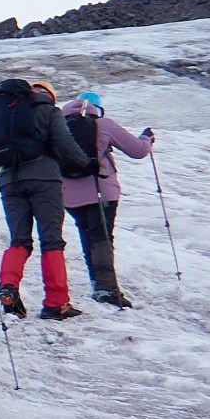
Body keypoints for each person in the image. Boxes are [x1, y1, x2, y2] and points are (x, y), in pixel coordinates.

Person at [0, 77, 95, 320]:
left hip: (9, 181)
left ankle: (8, 286)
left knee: (19, 239)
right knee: (51, 239)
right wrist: (87, 165)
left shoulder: (1, 113)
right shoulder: (47, 110)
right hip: (44, 178)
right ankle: (57, 302)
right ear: (49, 96)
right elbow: (65, 145)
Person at [60, 88, 156, 308]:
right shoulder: (103, 124)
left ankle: (97, 283)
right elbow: (138, 151)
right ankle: (107, 289)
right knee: (102, 238)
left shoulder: (58, 125)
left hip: (69, 195)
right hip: (101, 190)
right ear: (98, 108)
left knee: (87, 236)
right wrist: (147, 138)